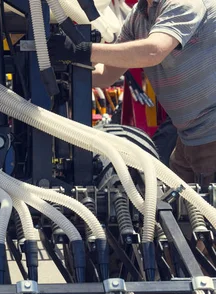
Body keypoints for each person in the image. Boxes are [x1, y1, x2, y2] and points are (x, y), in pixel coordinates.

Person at [49, 0, 216, 185]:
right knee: (186, 207)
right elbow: (106, 75)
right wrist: (58, 71)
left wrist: (82, 51)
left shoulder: (184, 3)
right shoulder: (140, 14)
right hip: (189, 137)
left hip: (211, 133)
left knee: (200, 208)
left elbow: (154, 50)